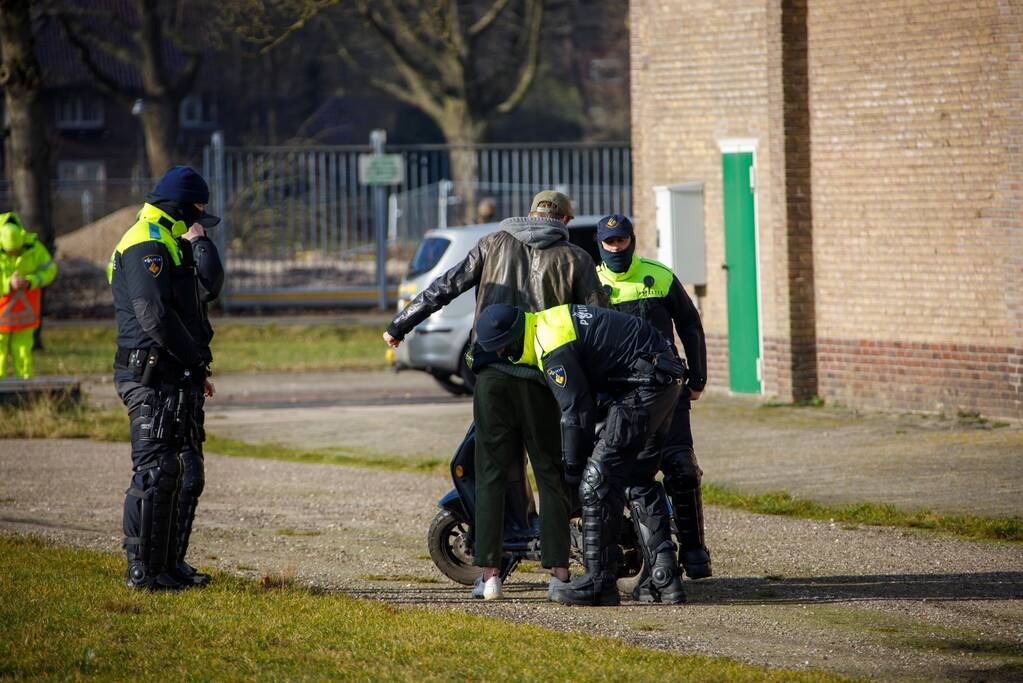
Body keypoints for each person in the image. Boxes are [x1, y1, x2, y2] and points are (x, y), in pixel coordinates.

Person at [384, 190, 607, 600]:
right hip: (547, 376)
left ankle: (489, 576)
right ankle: (558, 574)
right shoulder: (574, 258)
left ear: (530, 214)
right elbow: (598, 320)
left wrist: (400, 324)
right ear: (565, 219)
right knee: (551, 474)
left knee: (490, 473)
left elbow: (445, 287)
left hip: (492, 377)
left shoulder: (492, 244)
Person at [475, 302, 688, 606]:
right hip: (660, 378)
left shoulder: (549, 345)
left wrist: (574, 469)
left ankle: (599, 584)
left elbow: (576, 411)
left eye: (501, 349)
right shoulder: (547, 322)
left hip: (645, 388)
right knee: (636, 478)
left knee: (594, 482)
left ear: (513, 338)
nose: (500, 355)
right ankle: (665, 581)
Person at [108, 166, 221, 591]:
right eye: (196, 213)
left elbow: (209, 289)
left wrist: (195, 368)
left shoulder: (172, 242)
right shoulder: (144, 243)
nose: (199, 222)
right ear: (179, 207)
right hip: (149, 372)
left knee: (185, 471)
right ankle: (143, 571)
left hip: (177, 371)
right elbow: (154, 317)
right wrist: (193, 360)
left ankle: (170, 566)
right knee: (155, 471)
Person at [594, 214, 712, 587]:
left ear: (633, 239)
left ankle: (694, 551)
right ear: (600, 243)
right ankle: (629, 557)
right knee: (625, 476)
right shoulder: (590, 282)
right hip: (619, 395)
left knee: (681, 468)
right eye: (610, 242)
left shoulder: (658, 276)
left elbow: (690, 324)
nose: (617, 248)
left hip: (667, 387)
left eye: (622, 241)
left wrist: (698, 376)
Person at [0, 212, 57, 379]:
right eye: (10, 252)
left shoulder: (33, 247)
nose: (14, 255)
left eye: (17, 251)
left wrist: (32, 281)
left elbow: (50, 269)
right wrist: (7, 283)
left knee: (23, 351)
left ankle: (24, 388)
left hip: (24, 315)